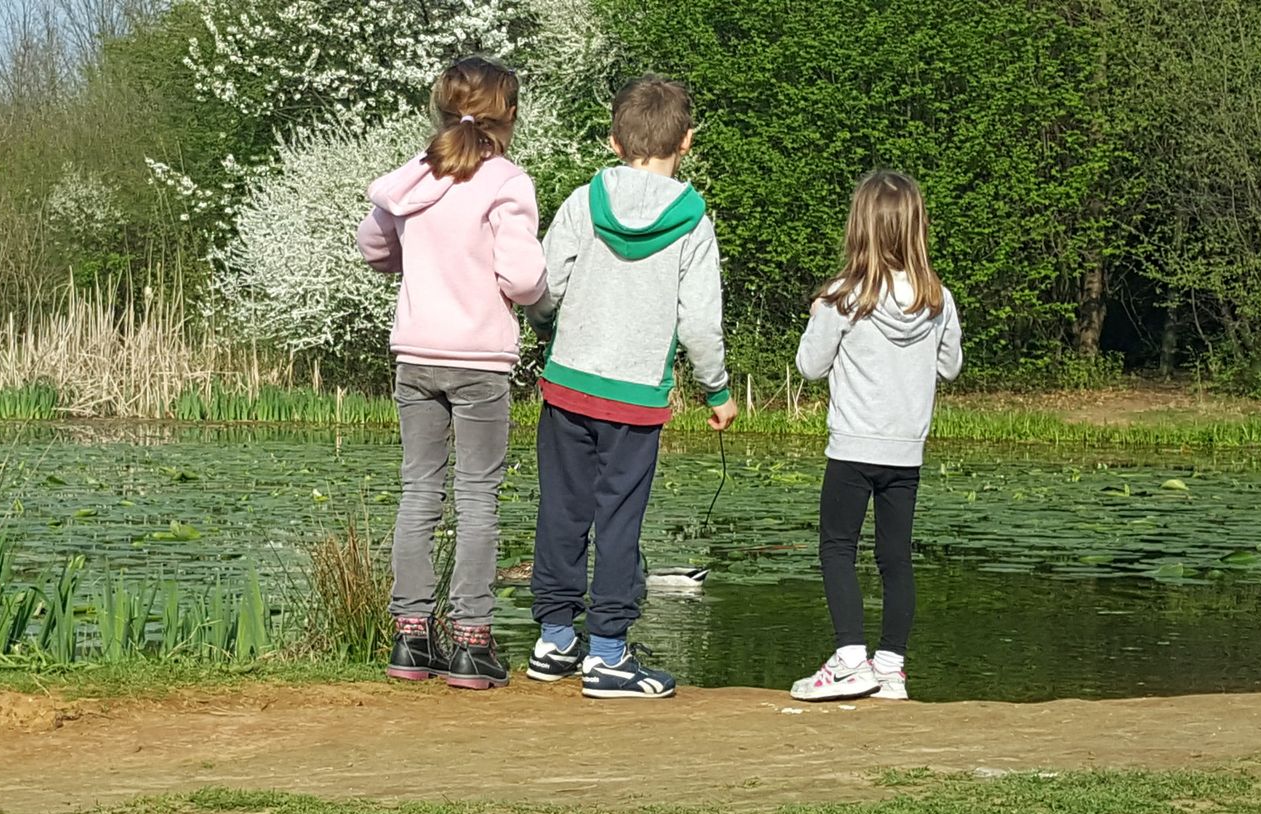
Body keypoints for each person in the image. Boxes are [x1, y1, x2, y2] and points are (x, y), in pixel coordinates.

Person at [523, 75, 737, 699]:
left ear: (614, 141)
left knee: (561, 511)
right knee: (619, 521)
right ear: (687, 142)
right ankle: (610, 654)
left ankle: (555, 640)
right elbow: (699, 322)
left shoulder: (581, 203)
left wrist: (546, 329)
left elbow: (543, 286)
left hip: (567, 387)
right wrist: (717, 390)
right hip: (635, 401)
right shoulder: (693, 224)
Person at [356, 57, 547, 690]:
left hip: (416, 357)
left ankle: (411, 639)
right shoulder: (506, 182)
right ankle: (472, 642)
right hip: (479, 363)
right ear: (509, 114)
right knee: (476, 499)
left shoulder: (412, 179)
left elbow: (373, 247)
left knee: (418, 495)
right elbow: (522, 280)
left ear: (441, 108)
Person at [789, 169, 963, 703]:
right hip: (905, 452)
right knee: (895, 556)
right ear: (917, 228)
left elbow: (809, 366)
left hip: (852, 449)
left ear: (859, 228)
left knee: (837, 548)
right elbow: (951, 367)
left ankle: (849, 660)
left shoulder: (844, 297)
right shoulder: (937, 300)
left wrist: (819, 316)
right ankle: (890, 667)